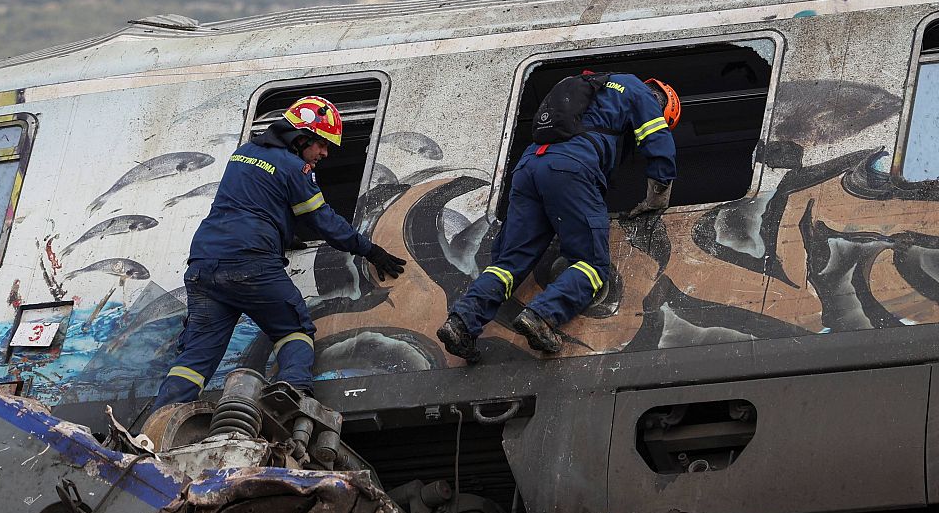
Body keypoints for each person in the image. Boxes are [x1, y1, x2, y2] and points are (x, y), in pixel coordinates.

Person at [151, 96, 407, 410]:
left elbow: (254, 202)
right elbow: (323, 220)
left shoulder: (242, 155)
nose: (324, 153)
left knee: (196, 356)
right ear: (300, 139)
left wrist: (284, 233)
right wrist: (369, 249)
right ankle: (295, 393)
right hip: (251, 262)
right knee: (294, 328)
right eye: (322, 144)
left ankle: (159, 422)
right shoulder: (293, 166)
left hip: (204, 264)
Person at [437, 73, 680, 361]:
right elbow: (657, 140)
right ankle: (541, 315)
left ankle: (462, 322)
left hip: (529, 166)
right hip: (571, 167)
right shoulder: (639, 92)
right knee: (590, 264)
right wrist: (657, 198)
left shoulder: (590, 86)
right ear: (662, 103)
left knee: (508, 263)